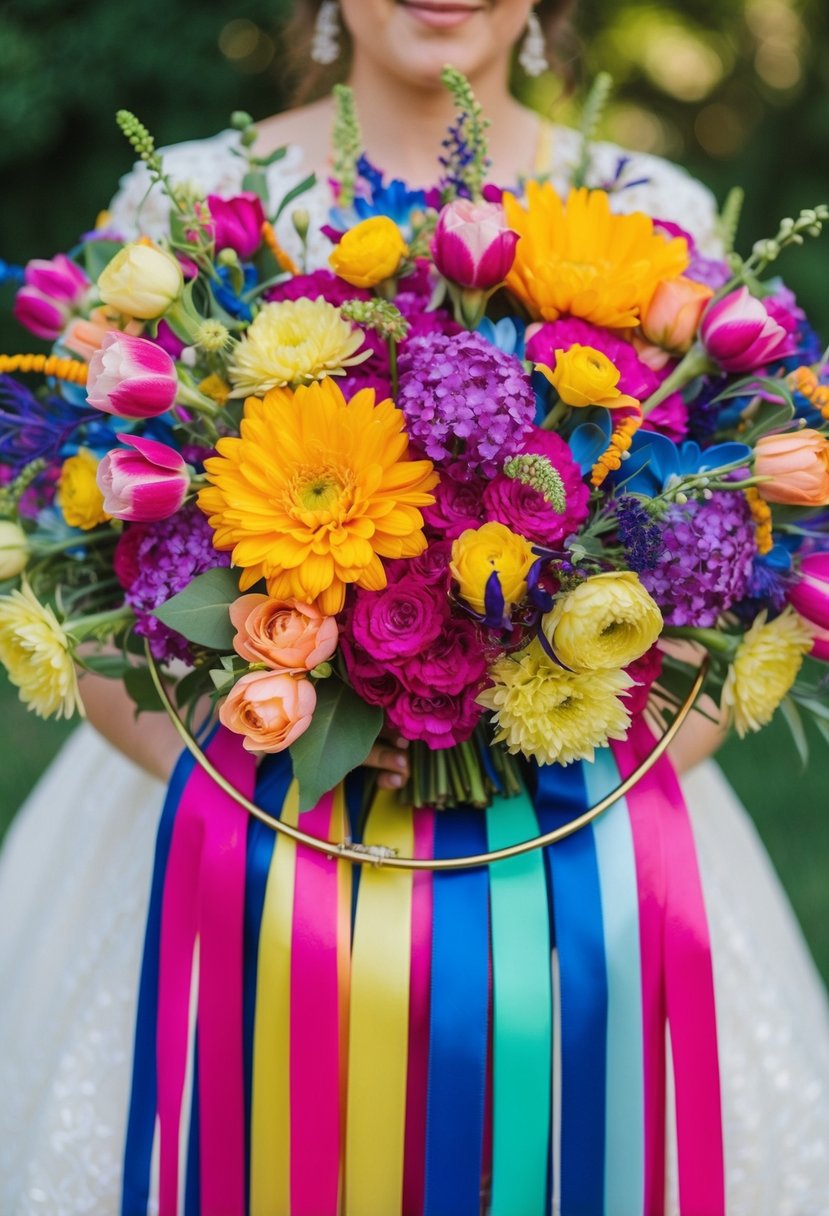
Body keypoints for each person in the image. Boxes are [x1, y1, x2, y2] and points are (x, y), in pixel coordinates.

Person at [1, 1, 827, 1211]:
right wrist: (261, 769)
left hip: (570, 844)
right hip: (236, 834)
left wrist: (565, 762)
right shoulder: (186, 205)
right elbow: (70, 557)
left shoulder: (653, 209)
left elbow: (747, 593)